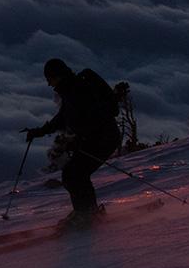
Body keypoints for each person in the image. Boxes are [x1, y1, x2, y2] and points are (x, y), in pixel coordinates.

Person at [23, 58, 121, 224]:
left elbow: (96, 117)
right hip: (101, 137)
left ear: (59, 76)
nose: (49, 84)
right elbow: (64, 118)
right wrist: (40, 131)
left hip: (104, 138)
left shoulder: (78, 89)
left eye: (50, 79)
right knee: (74, 172)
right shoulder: (71, 90)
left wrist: (82, 138)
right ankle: (88, 212)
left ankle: (86, 214)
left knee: (74, 172)